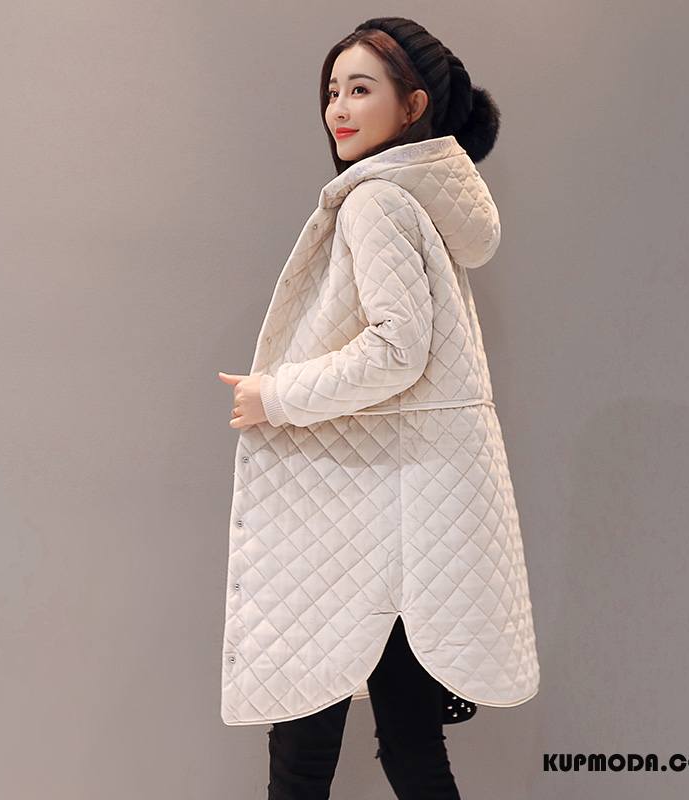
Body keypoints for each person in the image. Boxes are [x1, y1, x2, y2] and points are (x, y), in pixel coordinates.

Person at [217, 16, 540, 800]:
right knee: (410, 744)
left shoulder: (376, 203)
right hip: (406, 517)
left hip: (358, 519)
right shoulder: (414, 202)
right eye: (332, 90)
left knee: (304, 751)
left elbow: (398, 350)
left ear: (413, 105)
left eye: (361, 89)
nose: (338, 107)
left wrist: (274, 396)